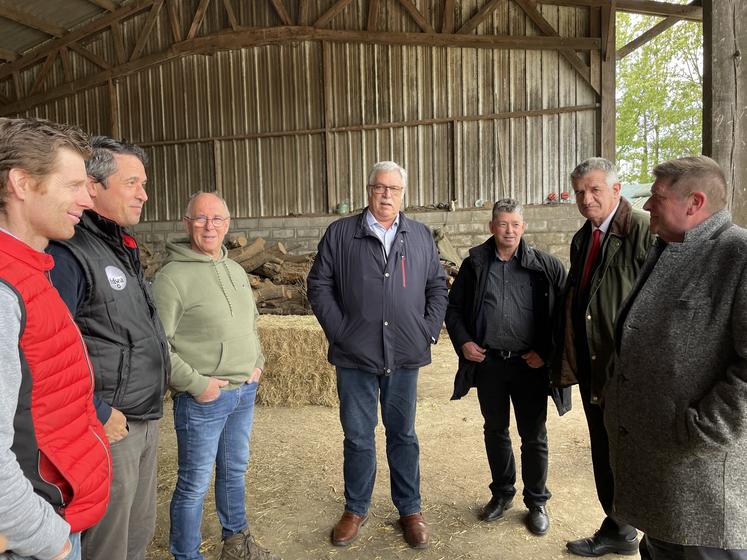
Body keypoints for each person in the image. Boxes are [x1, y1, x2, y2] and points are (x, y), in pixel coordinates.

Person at [605, 155, 747, 560]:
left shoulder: (737, 254)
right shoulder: (670, 248)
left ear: (694, 202)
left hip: (702, 486)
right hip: (661, 473)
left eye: (657, 196)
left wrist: (705, 429)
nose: (647, 205)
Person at [307, 161, 448, 549]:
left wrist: (426, 330)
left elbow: (437, 286)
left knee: (403, 434)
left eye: (394, 189)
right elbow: (319, 285)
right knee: (357, 436)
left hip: (404, 355)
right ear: (368, 190)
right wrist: (342, 332)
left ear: (404, 194)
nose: (386, 194)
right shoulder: (341, 234)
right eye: (379, 187)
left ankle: (410, 509)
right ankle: (355, 508)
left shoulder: (419, 235)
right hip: (355, 358)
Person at [47, 136, 170, 560]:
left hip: (143, 417)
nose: (144, 194)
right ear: (93, 186)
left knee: (137, 537)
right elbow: (46, 351)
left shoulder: (120, 245)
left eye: (144, 183)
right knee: (108, 547)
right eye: (132, 182)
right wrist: (98, 412)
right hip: (110, 428)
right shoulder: (69, 252)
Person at [0, 118, 111, 560]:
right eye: (74, 185)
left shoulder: (32, 272)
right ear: (22, 183)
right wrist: (49, 538)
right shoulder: (5, 290)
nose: (88, 198)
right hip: (33, 539)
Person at [152, 192, 279, 560]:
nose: (210, 226)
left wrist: (258, 362)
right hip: (204, 398)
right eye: (201, 219)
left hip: (243, 393)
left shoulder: (235, 269)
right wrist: (197, 384)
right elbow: (159, 346)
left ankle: (236, 543)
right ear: (185, 223)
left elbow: (252, 324)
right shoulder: (171, 278)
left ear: (228, 224)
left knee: (234, 471)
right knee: (193, 483)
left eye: (217, 219)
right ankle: (186, 555)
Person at [445, 198, 566, 536]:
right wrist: (465, 341)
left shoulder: (544, 266)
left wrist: (546, 351)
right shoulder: (475, 264)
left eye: (515, 224)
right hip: (491, 364)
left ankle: (537, 502)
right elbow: (453, 310)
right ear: (491, 227)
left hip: (529, 365)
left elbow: (562, 315)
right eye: (502, 224)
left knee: (533, 435)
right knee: (495, 430)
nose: (509, 230)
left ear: (523, 227)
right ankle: (501, 495)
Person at [553, 157, 653, 557]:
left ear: (617, 188)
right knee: (604, 447)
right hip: (596, 365)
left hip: (627, 367)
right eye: (579, 192)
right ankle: (618, 527)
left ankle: (651, 534)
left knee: (634, 451)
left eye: (595, 189)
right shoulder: (584, 237)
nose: (587, 198)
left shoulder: (643, 229)